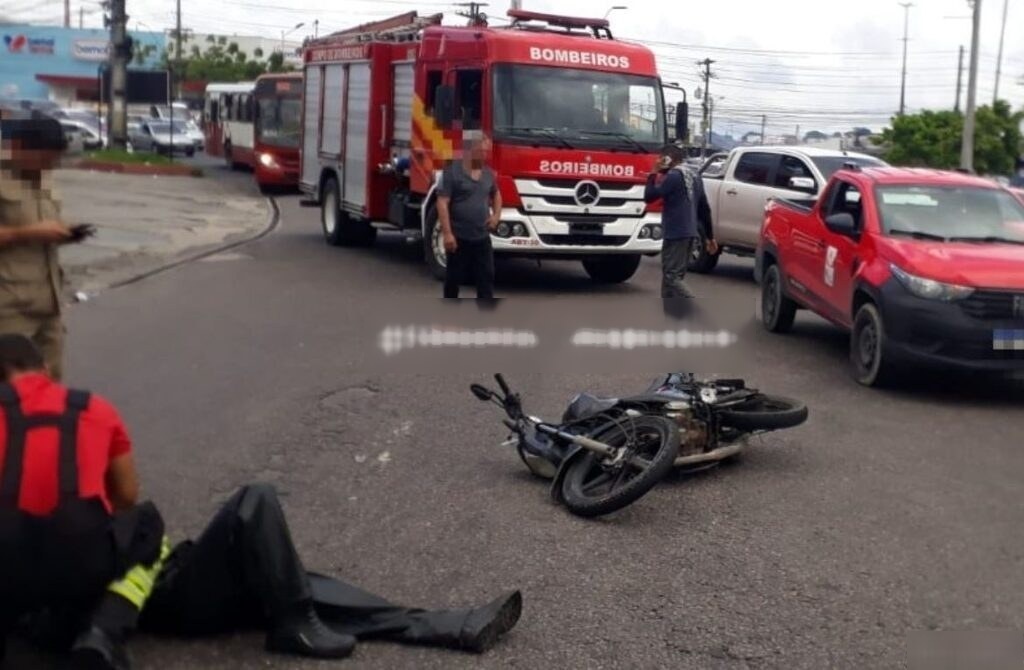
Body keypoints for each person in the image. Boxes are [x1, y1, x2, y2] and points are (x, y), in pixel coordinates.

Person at [0, 333, 165, 669]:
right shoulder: (95, 408)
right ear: (45, 368)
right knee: (147, 524)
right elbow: (127, 494)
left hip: (8, 574)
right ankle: (103, 631)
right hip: (85, 568)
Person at [0, 117, 88, 381]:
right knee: (11, 394)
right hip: (9, 309)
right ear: (17, 147)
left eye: (54, 160)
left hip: (48, 304)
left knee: (49, 390)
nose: (49, 166)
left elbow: (42, 225)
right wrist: (27, 233)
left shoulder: (43, 176)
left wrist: (63, 233)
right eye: (44, 159)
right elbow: (28, 230)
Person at [644, 144, 715, 300]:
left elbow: (649, 196)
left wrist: (653, 173)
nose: (658, 161)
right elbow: (704, 208)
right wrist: (710, 237)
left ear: (668, 159)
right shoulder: (695, 175)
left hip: (676, 233)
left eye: (661, 158)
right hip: (689, 232)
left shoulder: (674, 176)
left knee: (672, 277)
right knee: (672, 277)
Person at [437, 134, 501, 300]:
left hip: (481, 237)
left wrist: (496, 216)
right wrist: (447, 234)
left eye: (486, 151)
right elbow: (442, 202)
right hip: (458, 238)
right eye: (481, 150)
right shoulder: (450, 172)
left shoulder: (488, 174)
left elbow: (496, 194)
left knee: (486, 278)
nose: (484, 154)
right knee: (454, 280)